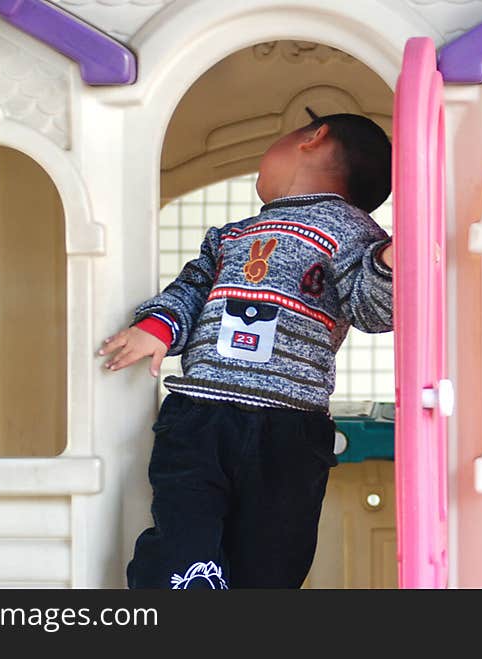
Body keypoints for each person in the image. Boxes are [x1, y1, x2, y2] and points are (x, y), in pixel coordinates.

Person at [99, 108, 394, 589]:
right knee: (181, 547)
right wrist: (157, 327)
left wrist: (388, 261)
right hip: (200, 413)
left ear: (314, 137)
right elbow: (192, 289)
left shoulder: (356, 232)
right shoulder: (233, 234)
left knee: (272, 559)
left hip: (288, 426)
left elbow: (372, 311)